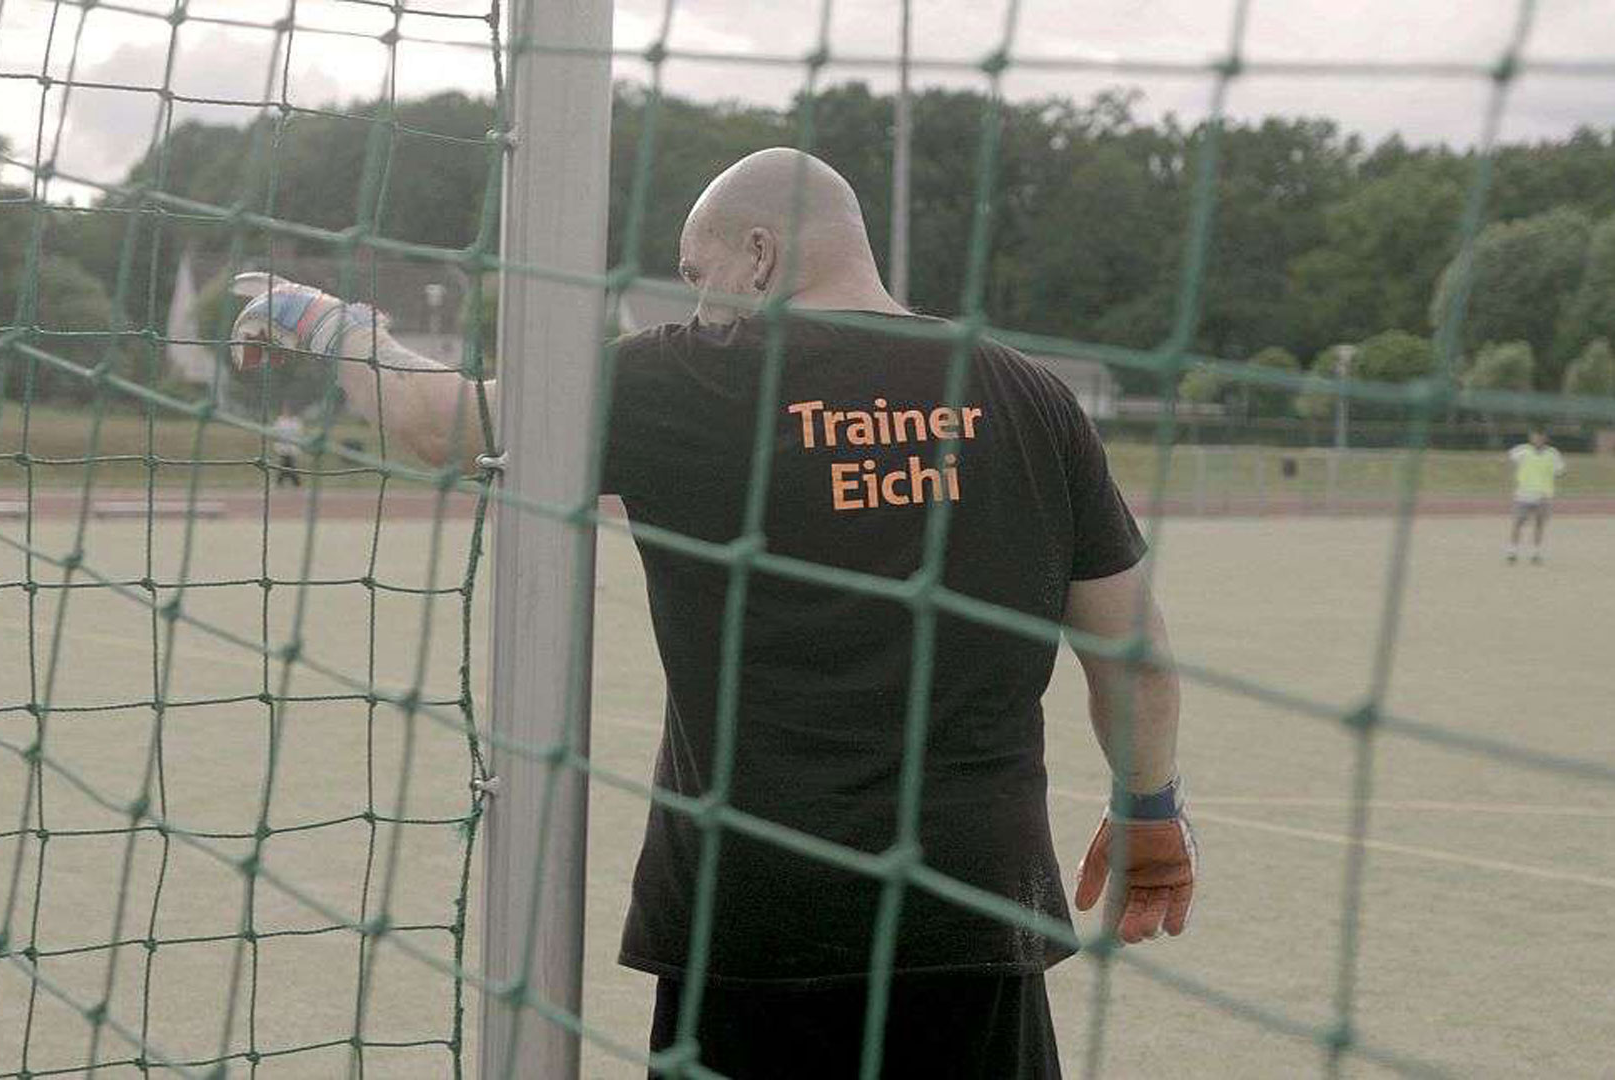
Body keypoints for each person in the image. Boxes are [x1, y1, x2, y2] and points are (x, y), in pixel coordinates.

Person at [229, 148, 1196, 1080]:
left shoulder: (689, 378)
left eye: (700, 272)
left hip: (757, 924)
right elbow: (1134, 655)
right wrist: (1148, 811)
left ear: (761, 255)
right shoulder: (1029, 393)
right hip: (974, 914)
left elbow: (444, 425)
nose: (696, 300)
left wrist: (334, 324)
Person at [1506, 428, 1565, 564]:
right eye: (1534, 437)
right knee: (1518, 522)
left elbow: (1560, 471)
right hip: (1524, 494)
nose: (1537, 440)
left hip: (1543, 495)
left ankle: (1536, 553)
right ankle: (1512, 551)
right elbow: (1509, 461)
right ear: (1531, 437)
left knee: (1539, 524)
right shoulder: (1522, 450)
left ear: (1545, 438)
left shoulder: (1553, 454)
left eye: (1540, 437)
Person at [271, 404, 304, 488]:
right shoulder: (279, 421)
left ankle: (282, 482)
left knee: (287, 464)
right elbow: (275, 433)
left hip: (292, 447)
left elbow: (299, 433)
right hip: (282, 447)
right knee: (287, 464)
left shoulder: (295, 421)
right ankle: (295, 483)